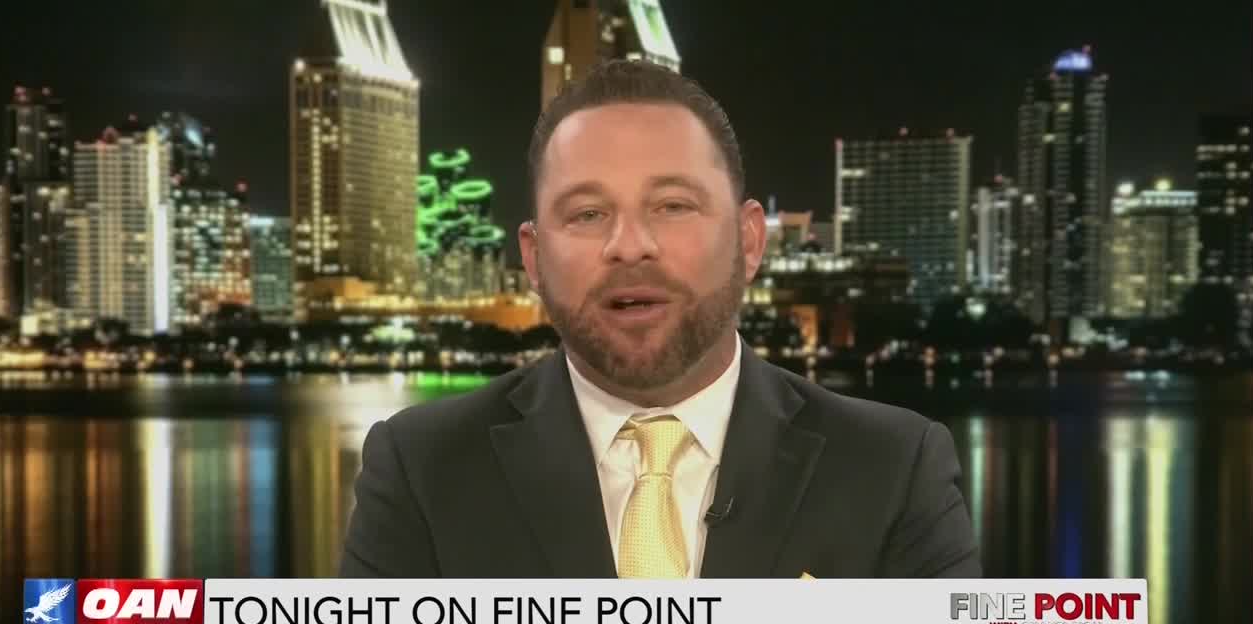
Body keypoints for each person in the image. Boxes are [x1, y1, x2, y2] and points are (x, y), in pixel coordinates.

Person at [341, 60, 981, 579]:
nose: (629, 244)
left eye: (673, 205)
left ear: (750, 241)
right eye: (587, 214)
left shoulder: (895, 470)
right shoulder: (421, 470)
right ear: (533, 258)